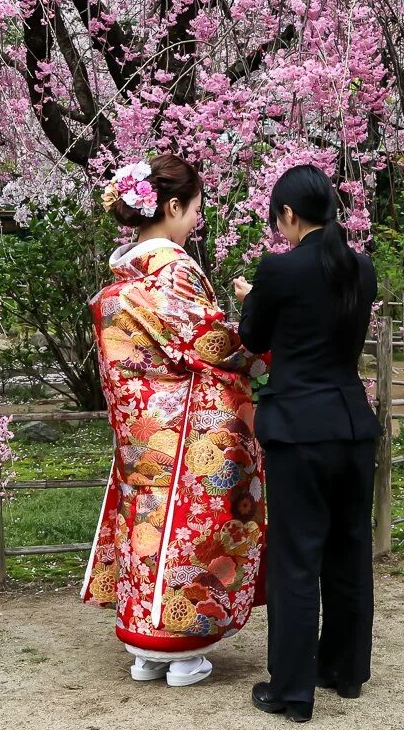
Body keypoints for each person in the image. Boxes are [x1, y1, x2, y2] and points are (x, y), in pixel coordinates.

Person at [81, 153, 269, 687]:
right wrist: (264, 340)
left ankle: (144, 649)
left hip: (141, 427)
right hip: (189, 426)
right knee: (191, 529)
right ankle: (182, 650)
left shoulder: (124, 275)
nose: (196, 221)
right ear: (171, 206)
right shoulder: (174, 271)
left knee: (147, 524)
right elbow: (212, 345)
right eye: (193, 211)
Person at [233, 164, 382, 723]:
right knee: (348, 552)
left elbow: (254, 336)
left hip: (298, 430)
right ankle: (345, 671)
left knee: (296, 560)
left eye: (280, 220)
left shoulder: (279, 269)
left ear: (290, 216)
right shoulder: (360, 269)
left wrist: (253, 294)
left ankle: (292, 691)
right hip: (351, 426)